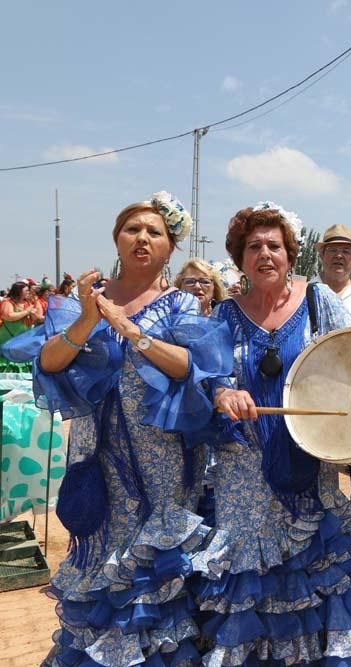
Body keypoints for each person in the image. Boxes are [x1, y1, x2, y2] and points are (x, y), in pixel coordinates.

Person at [5, 192, 230, 665]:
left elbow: (191, 367)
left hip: (162, 456)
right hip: (95, 450)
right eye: (133, 230)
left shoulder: (180, 306)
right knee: (101, 549)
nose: (143, 239)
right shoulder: (82, 301)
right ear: (117, 239)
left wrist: (134, 334)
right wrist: (89, 319)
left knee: (155, 558)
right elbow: (48, 362)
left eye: (155, 232)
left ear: (171, 248)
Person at [200, 201, 351, 665]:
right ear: (240, 258)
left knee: (312, 560)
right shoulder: (222, 316)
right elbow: (209, 378)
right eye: (253, 246)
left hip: (309, 459)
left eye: (274, 246)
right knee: (251, 568)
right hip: (243, 469)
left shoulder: (321, 302)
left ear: (290, 254)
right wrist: (222, 394)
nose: (264, 254)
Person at [317, 223, 351, 325]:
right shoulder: (304, 294)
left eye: (346, 251)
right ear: (322, 255)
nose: (338, 256)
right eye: (332, 250)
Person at [1, 281, 44, 349]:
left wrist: (35, 315)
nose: (28, 292)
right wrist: (26, 311)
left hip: (23, 341)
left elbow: (35, 318)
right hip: (8, 339)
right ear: (19, 291)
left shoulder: (27, 303)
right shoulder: (8, 302)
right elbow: (8, 316)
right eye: (26, 290)